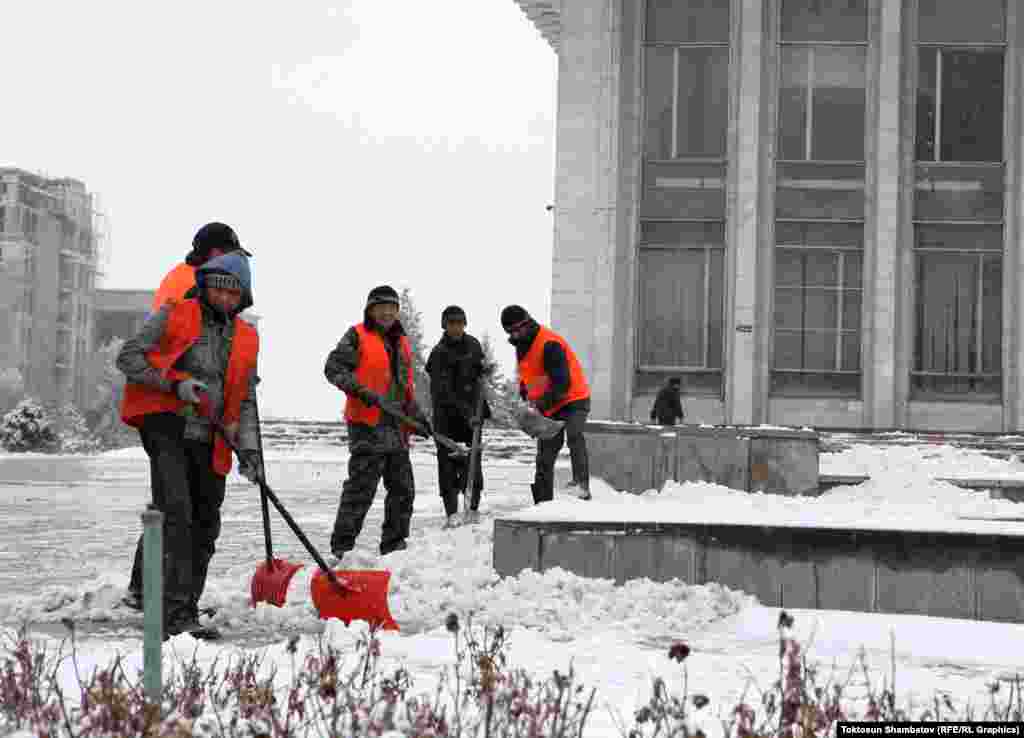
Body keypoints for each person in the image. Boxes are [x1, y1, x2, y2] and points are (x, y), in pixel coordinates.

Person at [117, 252, 262, 639]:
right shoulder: (174, 313)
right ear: (205, 284)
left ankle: (185, 607)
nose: (225, 298)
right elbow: (128, 357)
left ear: (244, 296)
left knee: (205, 523)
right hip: (166, 424)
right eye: (219, 287)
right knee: (176, 515)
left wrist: (250, 452)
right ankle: (173, 615)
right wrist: (174, 383)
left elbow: (244, 400)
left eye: (235, 292)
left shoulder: (247, 337)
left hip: (210, 436)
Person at [324, 285, 431, 562]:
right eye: (380, 307)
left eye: (392, 308)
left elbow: (404, 387)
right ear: (370, 310)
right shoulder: (357, 336)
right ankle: (342, 548)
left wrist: (419, 418)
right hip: (367, 425)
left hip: (397, 427)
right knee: (361, 489)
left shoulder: (401, 342)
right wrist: (364, 393)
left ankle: (394, 547)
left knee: (403, 489)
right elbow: (333, 369)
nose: (386, 312)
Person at [501, 304, 592, 503]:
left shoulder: (549, 343)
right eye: (511, 332)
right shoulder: (522, 346)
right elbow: (531, 373)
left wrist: (538, 407)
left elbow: (562, 384)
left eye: (519, 329)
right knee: (545, 453)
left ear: (528, 322)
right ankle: (543, 501)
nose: (516, 334)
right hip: (550, 404)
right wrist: (526, 393)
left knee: (575, 435)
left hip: (573, 398)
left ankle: (581, 485)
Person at [425, 305, 491, 527]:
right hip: (447, 418)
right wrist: (467, 413)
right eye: (451, 323)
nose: (456, 327)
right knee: (448, 465)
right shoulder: (438, 353)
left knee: (473, 462)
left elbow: (478, 375)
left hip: (472, 417)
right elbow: (444, 392)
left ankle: (472, 509)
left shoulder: (473, 345)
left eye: (460, 323)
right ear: (444, 325)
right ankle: (452, 513)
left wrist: (484, 371)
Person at [151, 222, 252, 311]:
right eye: (231, 255)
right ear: (214, 253)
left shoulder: (179, 272)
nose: (235, 262)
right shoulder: (200, 282)